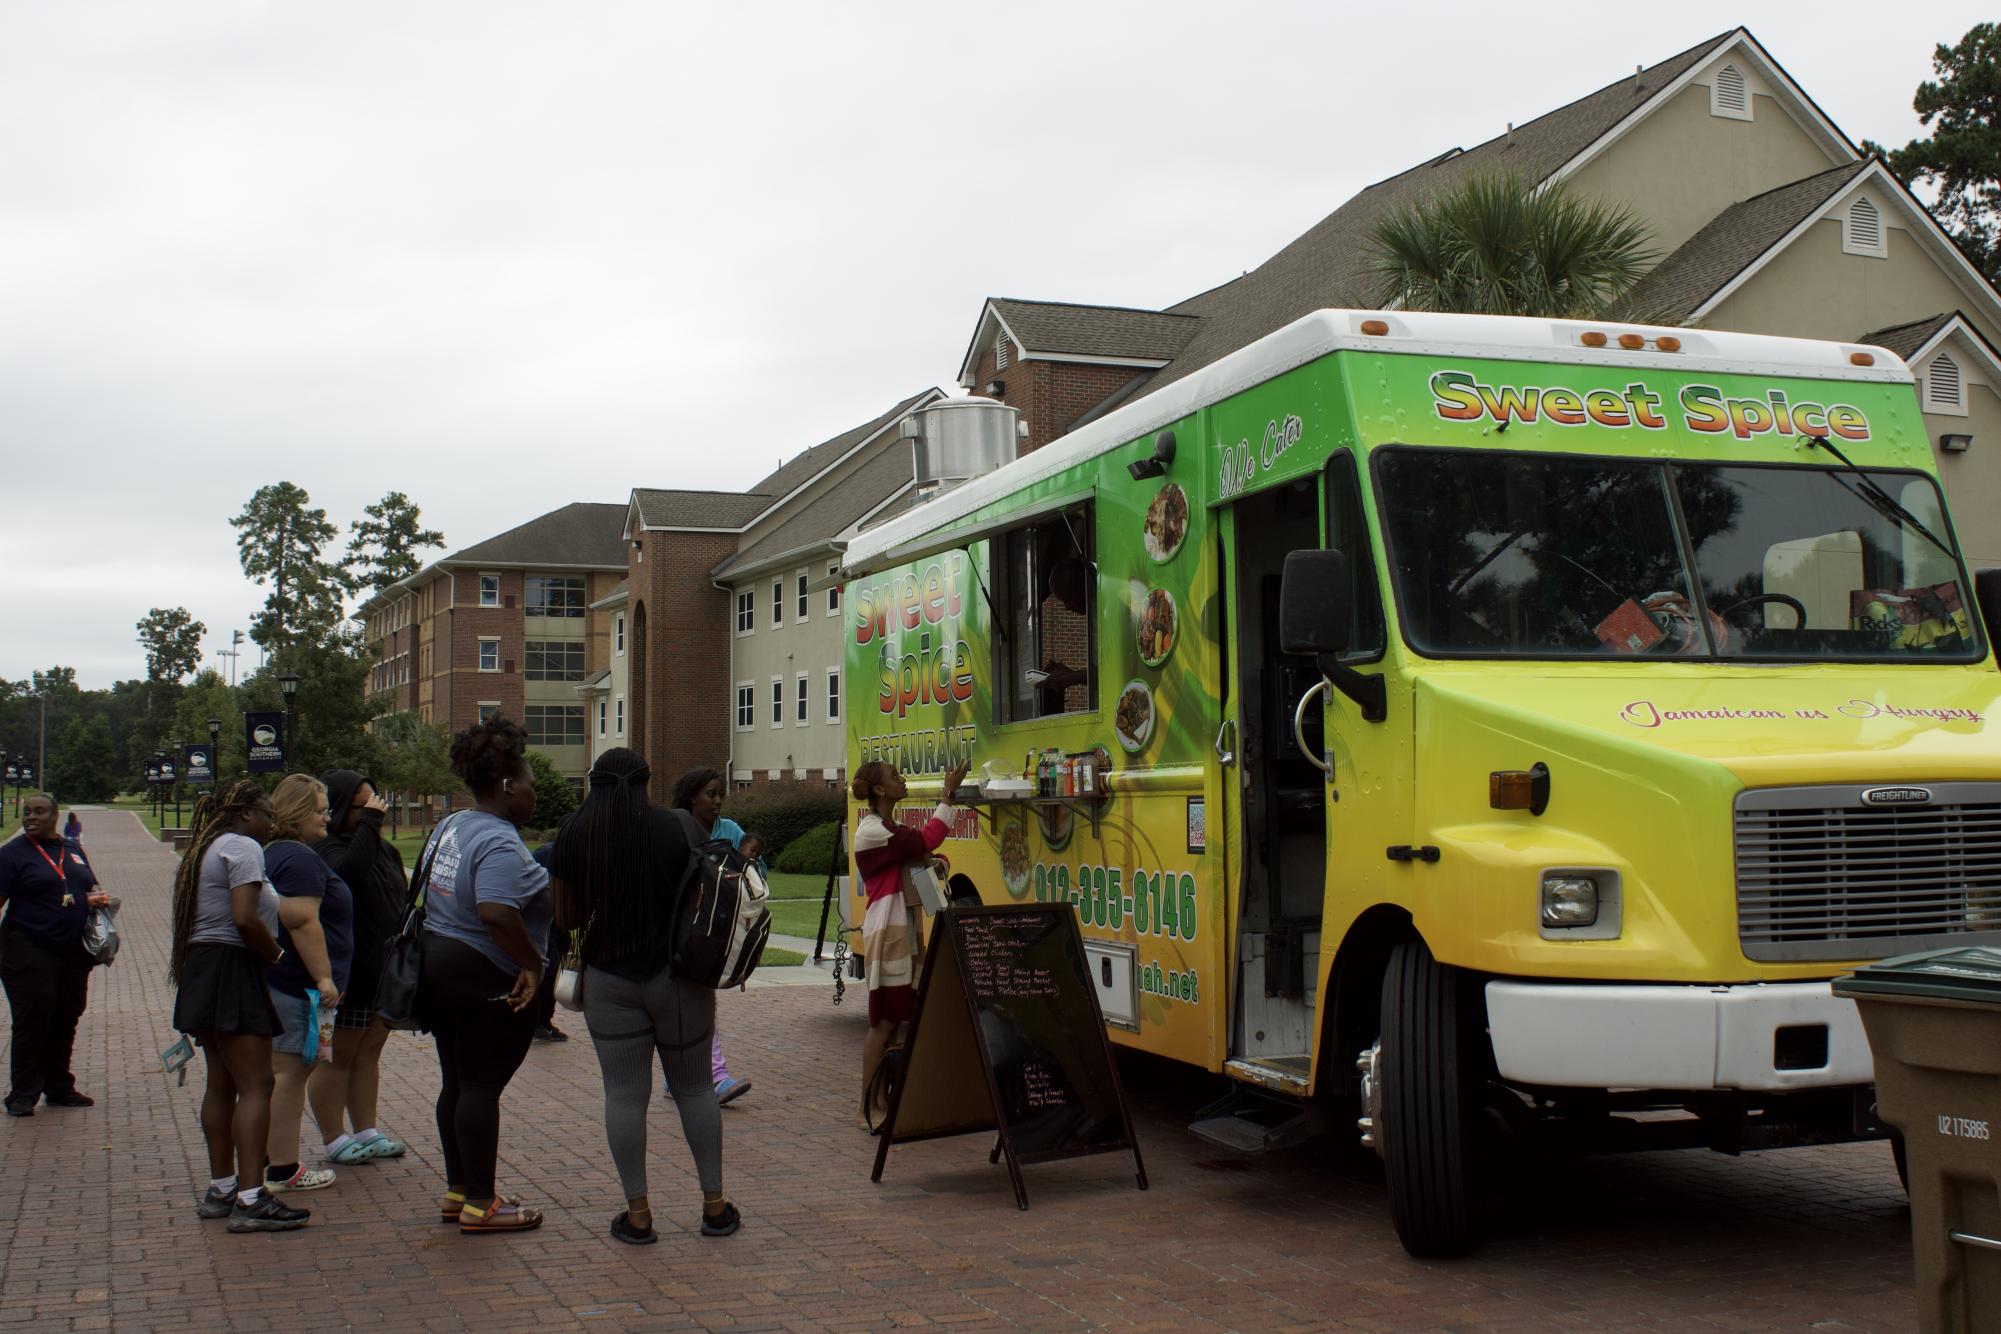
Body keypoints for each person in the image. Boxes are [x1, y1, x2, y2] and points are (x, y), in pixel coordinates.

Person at [551, 747, 739, 1244]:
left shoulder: (573, 832)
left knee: (624, 1095)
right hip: (677, 979)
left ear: (594, 782)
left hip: (609, 980)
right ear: (645, 783)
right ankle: (714, 1208)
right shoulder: (679, 827)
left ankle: (638, 1216)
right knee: (696, 1088)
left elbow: (566, 917)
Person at [417, 714, 552, 1234]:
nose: (533, 795)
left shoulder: (450, 826)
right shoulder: (498, 840)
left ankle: (460, 1191)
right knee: (479, 1087)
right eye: (529, 785)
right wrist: (532, 964)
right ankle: (483, 1204)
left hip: (439, 964)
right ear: (506, 785)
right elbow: (497, 911)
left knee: (456, 1081)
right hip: (481, 976)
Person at [168, 779, 310, 1233]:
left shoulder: (208, 848)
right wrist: (276, 955)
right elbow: (245, 917)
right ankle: (251, 1198)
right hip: (232, 968)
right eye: (267, 814)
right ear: (246, 813)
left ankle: (222, 1188)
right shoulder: (244, 846)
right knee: (258, 1084)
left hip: (203, 969)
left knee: (221, 1083)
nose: (272, 823)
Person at [852, 758, 968, 1128]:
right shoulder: (873, 831)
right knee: (883, 1022)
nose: (903, 780)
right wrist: (948, 794)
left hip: (902, 928)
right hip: (888, 931)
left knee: (895, 1020)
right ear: (880, 791)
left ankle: (882, 1100)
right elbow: (926, 841)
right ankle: (866, 1107)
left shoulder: (889, 829)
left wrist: (934, 863)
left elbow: (924, 855)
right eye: (895, 777)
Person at [307, 771, 409, 1165]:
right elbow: (347, 875)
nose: (374, 810)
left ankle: (366, 1129)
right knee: (336, 1057)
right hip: (344, 975)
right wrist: (368, 826)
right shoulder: (325, 849)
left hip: (381, 972)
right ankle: (334, 1138)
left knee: (368, 1053)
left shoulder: (383, 850)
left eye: (375, 802)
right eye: (363, 806)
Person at [261, 775, 352, 1196]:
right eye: (319, 810)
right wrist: (324, 977)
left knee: (284, 1072)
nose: (326, 817)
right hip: (299, 987)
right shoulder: (297, 859)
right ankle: (283, 1167)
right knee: (292, 1073)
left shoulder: (274, 854)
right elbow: (300, 920)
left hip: (286, 984)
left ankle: (267, 1156)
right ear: (296, 812)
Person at [0, 794, 111, 1117]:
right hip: (28, 948)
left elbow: (88, 884)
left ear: (55, 815)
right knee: (34, 1019)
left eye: (39, 811)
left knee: (66, 1015)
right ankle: (22, 1093)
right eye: (27, 812)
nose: (31, 817)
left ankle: (59, 1086)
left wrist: (94, 896)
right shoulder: (12, 855)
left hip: (72, 951)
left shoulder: (71, 849)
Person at [669, 769, 755, 1106]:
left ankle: (674, 1075)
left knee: (694, 999)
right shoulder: (676, 827)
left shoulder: (729, 831)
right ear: (693, 796)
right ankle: (717, 1077)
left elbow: (754, 872)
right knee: (700, 999)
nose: (718, 801)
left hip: (716, 928)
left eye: (721, 794)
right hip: (685, 927)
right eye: (711, 794)